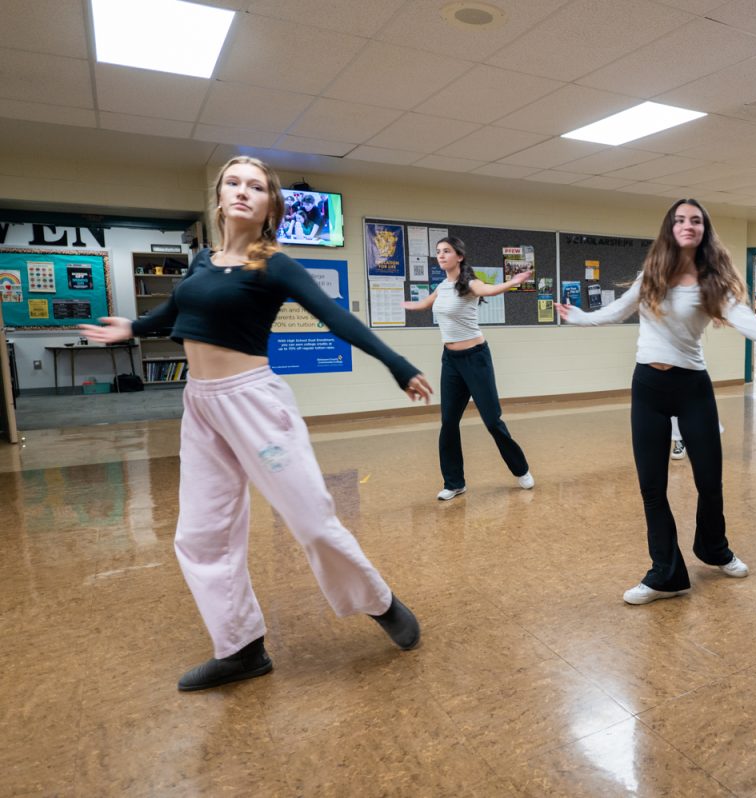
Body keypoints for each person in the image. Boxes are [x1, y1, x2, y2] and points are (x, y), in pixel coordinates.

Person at [81, 156, 432, 691]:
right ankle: (241, 648)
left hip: (254, 404)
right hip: (201, 406)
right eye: (233, 183)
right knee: (202, 533)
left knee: (312, 520)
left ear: (270, 206)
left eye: (256, 186)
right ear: (219, 197)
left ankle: (380, 604)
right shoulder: (201, 262)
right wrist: (131, 327)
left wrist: (398, 364)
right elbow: (172, 317)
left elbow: (336, 317)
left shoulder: (275, 264)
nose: (243, 191)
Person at [556, 199, 756, 605]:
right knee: (652, 486)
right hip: (648, 385)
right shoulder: (651, 274)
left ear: (704, 230)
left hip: (692, 386)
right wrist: (578, 316)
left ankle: (714, 549)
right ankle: (666, 574)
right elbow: (616, 311)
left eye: (695, 220)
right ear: (670, 227)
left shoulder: (713, 281)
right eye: (680, 219)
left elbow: (748, 323)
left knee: (709, 480)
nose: (688, 225)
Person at [401, 237, 534, 501]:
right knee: (448, 422)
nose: (440, 256)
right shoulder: (442, 286)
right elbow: (427, 303)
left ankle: (521, 469)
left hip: (476, 359)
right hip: (450, 361)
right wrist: (406, 305)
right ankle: (454, 482)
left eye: (446, 251)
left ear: (459, 256)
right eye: (438, 252)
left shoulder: (469, 284)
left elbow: (490, 290)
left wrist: (513, 282)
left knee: (492, 420)